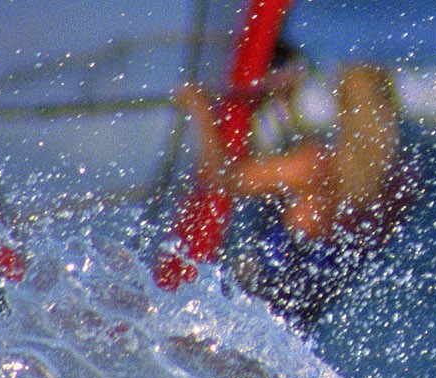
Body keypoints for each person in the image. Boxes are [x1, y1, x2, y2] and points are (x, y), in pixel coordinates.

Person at [175, 59, 417, 327]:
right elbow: (329, 194)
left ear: (344, 110)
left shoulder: (315, 165)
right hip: (308, 308)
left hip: (260, 294)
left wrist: (201, 110)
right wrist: (285, 108)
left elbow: (220, 178)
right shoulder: (402, 181)